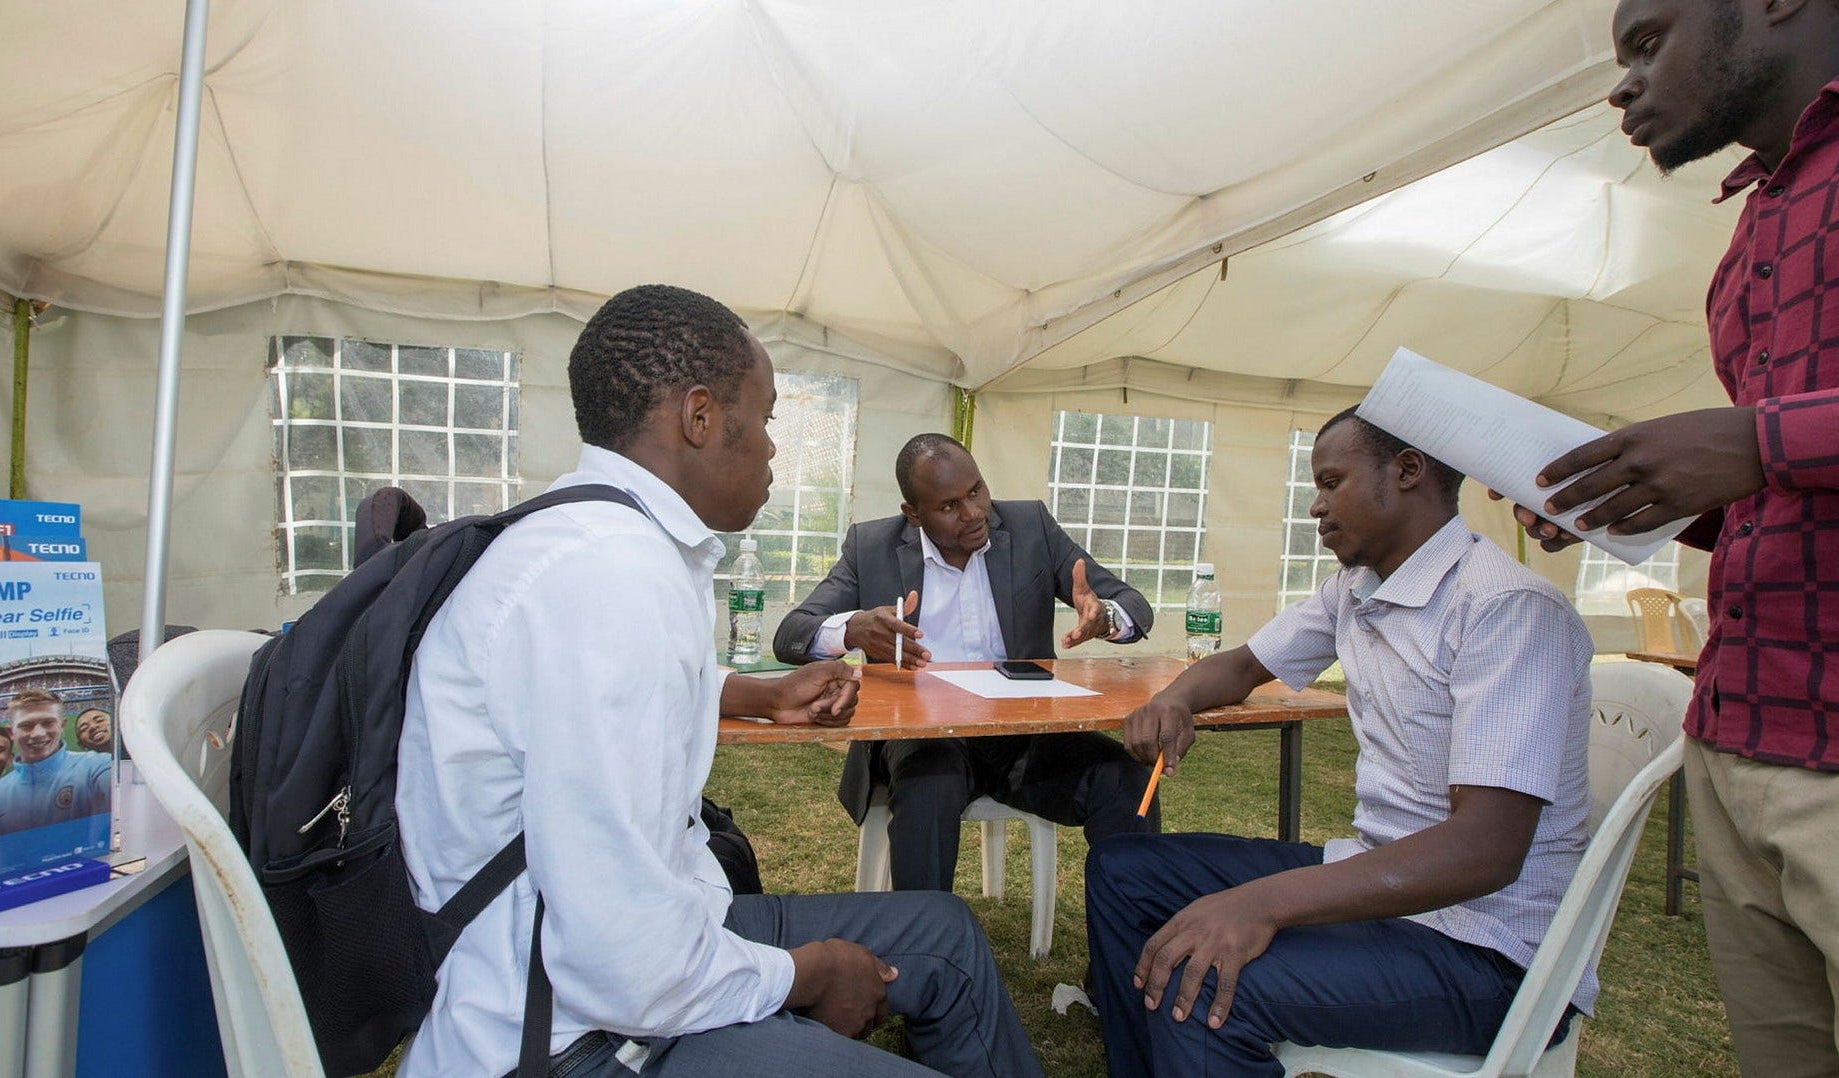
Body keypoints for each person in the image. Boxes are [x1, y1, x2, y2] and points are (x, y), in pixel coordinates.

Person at [396, 285, 1042, 1078]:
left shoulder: (590, 536)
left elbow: (609, 704)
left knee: (947, 934)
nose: (773, 447)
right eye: (766, 418)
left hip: (655, 945)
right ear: (700, 417)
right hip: (573, 1036)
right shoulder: (609, 579)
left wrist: (755, 693)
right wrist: (811, 975)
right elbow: (626, 959)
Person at [1495, 1, 1839, 1070]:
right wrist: (1649, 496)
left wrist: (1760, 441)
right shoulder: (1750, 238)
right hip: (1742, 739)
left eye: (1649, 41)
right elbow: (1781, 496)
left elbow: (1773, 453)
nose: (1623, 87)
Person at [1088, 407, 1593, 1077]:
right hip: (1380, 877)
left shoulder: (1505, 609)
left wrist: (1262, 903)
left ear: (1408, 471)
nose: (1315, 507)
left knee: (1206, 977)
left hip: (1488, 945)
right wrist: (1175, 698)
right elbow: (1240, 666)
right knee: (1123, 871)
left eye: (1332, 482)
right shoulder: (1356, 588)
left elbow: (1486, 852)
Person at [772, 433, 1159, 892]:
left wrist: (1107, 618)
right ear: (913, 514)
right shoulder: (871, 547)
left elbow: (1131, 602)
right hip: (923, 736)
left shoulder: (1030, 526)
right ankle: (926, 945)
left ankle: (1133, 947)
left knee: (1125, 778)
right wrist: (850, 628)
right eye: (949, 506)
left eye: (976, 491)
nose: (974, 512)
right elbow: (791, 634)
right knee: (928, 785)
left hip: (1024, 734)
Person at [0, 689, 112, 836]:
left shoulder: (96, 765)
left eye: (48, 723)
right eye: (26, 726)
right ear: (11, 733)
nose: (38, 734)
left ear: (62, 725)